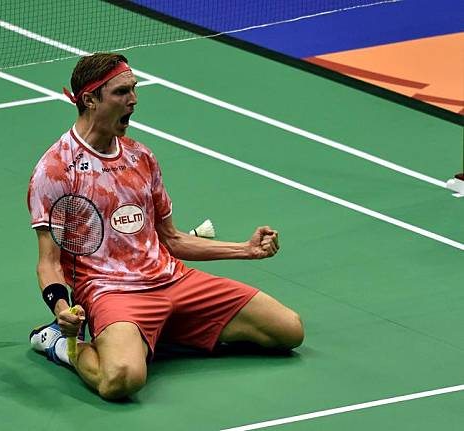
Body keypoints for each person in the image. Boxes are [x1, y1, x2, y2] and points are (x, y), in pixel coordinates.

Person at [27, 53, 303, 400]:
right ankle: (61, 346)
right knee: (122, 380)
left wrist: (246, 250)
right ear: (90, 99)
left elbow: (170, 239)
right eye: (122, 92)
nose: (134, 100)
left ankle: (155, 333)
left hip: (173, 280)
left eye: (134, 90)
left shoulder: (140, 157)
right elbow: (49, 263)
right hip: (113, 292)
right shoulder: (55, 169)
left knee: (288, 330)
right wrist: (62, 310)